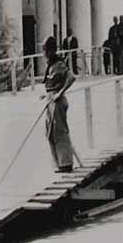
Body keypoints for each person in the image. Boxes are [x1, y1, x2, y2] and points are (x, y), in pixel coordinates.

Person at [41, 36, 76, 173]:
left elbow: (71, 77)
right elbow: (51, 83)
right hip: (50, 98)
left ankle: (66, 163)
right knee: (50, 132)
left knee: (59, 131)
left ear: (50, 50)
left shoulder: (59, 63)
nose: (43, 52)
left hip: (57, 100)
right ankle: (59, 163)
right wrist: (47, 95)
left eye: (44, 49)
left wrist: (60, 92)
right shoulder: (50, 64)